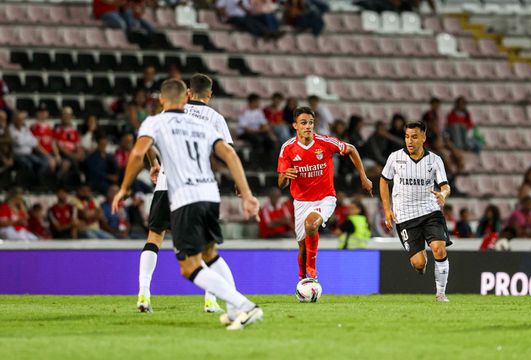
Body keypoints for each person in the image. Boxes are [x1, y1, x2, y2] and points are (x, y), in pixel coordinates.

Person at [112, 78, 263, 331]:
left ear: (163, 99)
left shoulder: (156, 120)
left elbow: (139, 153)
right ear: (185, 98)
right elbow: (229, 153)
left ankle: (246, 306)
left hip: (180, 194)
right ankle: (236, 308)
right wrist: (247, 194)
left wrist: (125, 188)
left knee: (187, 265)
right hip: (208, 193)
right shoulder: (205, 121)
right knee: (209, 254)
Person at [130, 74, 235, 315]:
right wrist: (240, 185)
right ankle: (211, 301)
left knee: (154, 237)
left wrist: (154, 163)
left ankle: (144, 293)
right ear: (209, 94)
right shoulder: (214, 118)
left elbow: (146, 141)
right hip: (198, 188)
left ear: (188, 92)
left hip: (166, 183)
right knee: (205, 249)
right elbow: (227, 153)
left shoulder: (171, 113)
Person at [278, 107, 373, 280]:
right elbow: (281, 183)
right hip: (300, 201)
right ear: (295, 126)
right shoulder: (287, 148)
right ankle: (302, 280)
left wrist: (364, 177)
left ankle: (312, 271)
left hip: (325, 198)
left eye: (311, 123)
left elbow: (351, 149)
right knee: (302, 246)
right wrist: (285, 176)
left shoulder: (325, 142)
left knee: (311, 225)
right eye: (303, 123)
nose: (308, 126)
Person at [379, 121, 452, 302]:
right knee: (419, 263)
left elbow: (445, 186)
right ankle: (421, 264)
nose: (409, 141)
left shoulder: (435, 160)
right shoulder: (395, 158)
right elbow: (383, 181)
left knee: (439, 249)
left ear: (423, 138)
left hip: (430, 211)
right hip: (405, 217)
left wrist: (443, 194)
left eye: (414, 137)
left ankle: (441, 294)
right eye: (406, 137)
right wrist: (387, 210)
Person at [9, 111, 49, 188]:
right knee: (28, 165)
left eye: (22, 119)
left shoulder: (25, 128)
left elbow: (34, 141)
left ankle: (38, 182)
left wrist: (25, 141)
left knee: (41, 163)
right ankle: (28, 184)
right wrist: (28, 141)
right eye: (19, 119)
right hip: (18, 154)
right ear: (14, 120)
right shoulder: (11, 129)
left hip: (29, 154)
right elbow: (19, 143)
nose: (21, 121)